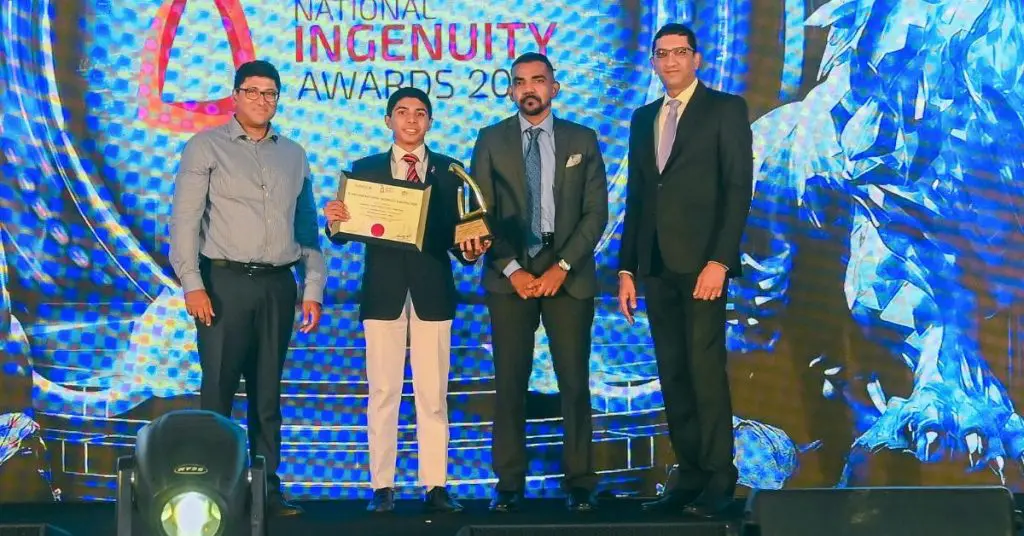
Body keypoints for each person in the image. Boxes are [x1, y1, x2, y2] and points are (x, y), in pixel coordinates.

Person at [169, 60, 325, 517]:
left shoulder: (294, 154)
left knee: (267, 396)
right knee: (217, 392)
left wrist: (312, 286)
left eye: (270, 93)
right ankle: (213, 491)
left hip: (278, 285)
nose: (262, 100)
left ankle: (266, 489)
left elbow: (307, 226)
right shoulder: (205, 147)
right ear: (235, 95)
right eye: (253, 91)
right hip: (223, 284)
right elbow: (184, 221)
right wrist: (192, 284)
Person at [323, 87, 489, 514]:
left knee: (433, 395)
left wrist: (471, 250)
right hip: (384, 293)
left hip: (433, 291)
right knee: (383, 392)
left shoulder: (451, 172)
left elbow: (460, 239)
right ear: (388, 120)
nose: (411, 120)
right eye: (402, 112)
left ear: (430, 121)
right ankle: (382, 486)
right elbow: (342, 234)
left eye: (420, 113)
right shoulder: (365, 170)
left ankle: (435, 485)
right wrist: (334, 222)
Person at [616, 23, 753, 517]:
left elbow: (738, 188)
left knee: (704, 371)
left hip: (703, 267)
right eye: (661, 53)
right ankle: (690, 474)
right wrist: (627, 269)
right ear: (653, 62)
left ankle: (720, 477)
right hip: (655, 265)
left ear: (697, 59)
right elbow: (638, 196)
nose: (670, 61)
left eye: (679, 52)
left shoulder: (725, 109)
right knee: (672, 373)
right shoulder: (643, 118)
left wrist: (720, 260)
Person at [471, 52, 609, 513]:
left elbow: (596, 213)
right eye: (520, 82)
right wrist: (513, 269)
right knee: (510, 383)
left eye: (538, 80)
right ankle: (509, 484)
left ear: (554, 87)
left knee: (574, 383)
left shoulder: (582, 139)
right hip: (510, 276)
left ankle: (580, 481)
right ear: (511, 90)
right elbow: (480, 214)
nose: (529, 88)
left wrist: (561, 266)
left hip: (568, 274)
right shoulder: (490, 139)